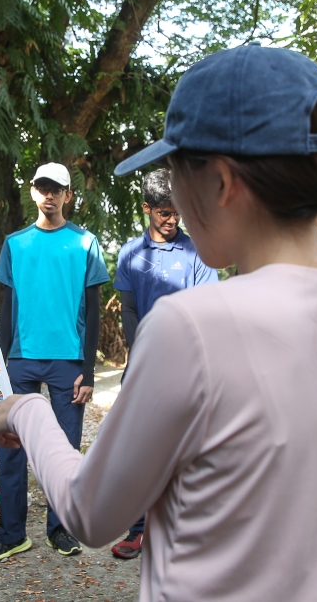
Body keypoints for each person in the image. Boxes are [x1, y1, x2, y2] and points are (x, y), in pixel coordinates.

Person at [0, 45, 317, 600]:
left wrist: (29, 411)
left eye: (176, 173)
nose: (176, 202)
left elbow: (92, 513)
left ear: (220, 182)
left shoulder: (196, 326)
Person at [0, 162, 110, 563]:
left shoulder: (86, 242)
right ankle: (11, 534)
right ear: (33, 192)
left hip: (68, 361)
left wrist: (88, 372)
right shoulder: (15, 243)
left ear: (68, 195)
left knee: (65, 450)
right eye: (43, 188)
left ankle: (60, 529)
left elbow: (93, 314)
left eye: (57, 189)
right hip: (20, 357)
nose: (50, 195)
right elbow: (8, 305)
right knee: (10, 448)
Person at [110, 168, 217, 559]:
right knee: (138, 452)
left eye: (177, 213)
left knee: (185, 454)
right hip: (140, 370)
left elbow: (205, 315)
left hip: (184, 371)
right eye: (164, 213)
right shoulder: (130, 254)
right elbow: (129, 313)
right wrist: (141, 359)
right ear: (147, 209)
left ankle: (181, 531)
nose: (172, 221)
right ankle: (137, 529)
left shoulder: (197, 252)